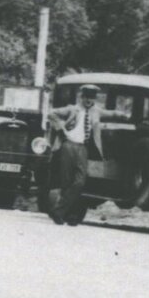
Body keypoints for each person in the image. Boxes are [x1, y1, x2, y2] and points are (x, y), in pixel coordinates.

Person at [47, 82, 101, 225]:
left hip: (83, 148)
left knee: (79, 182)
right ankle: (69, 216)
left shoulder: (96, 111)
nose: (89, 100)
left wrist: (125, 116)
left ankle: (58, 211)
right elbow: (51, 113)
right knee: (66, 181)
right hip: (68, 146)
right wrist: (61, 129)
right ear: (81, 97)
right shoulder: (73, 109)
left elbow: (113, 114)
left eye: (92, 98)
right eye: (86, 97)